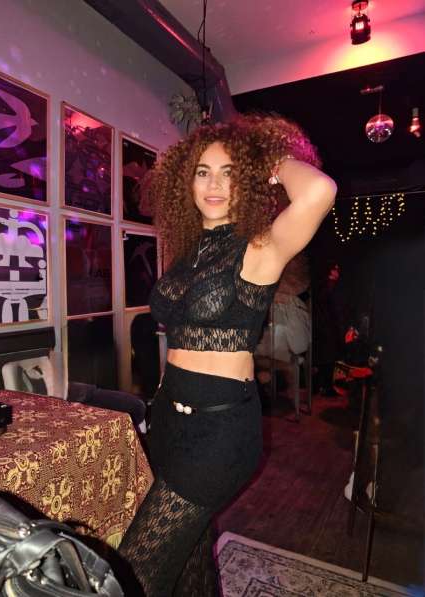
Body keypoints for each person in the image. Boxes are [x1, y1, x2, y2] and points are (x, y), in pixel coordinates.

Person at [118, 113, 337, 596]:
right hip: (168, 420)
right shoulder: (189, 250)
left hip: (219, 431)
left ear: (249, 180)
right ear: (188, 181)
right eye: (204, 172)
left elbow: (319, 191)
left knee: (133, 570)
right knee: (189, 559)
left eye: (230, 172)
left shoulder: (260, 246)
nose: (215, 184)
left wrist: (268, 157)